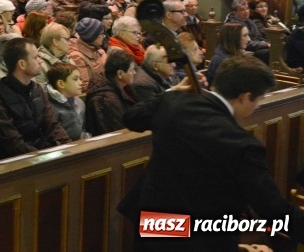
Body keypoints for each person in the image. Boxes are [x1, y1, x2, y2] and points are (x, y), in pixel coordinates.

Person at [118, 55, 304, 251]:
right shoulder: (243, 145)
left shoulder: (173, 102)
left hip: (156, 222)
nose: (257, 106)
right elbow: (272, 209)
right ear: (244, 96)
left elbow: (131, 118)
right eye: (258, 99)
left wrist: (172, 92)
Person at [0, 37, 70, 161]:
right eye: (35, 57)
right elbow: (14, 146)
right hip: (13, 165)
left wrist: (69, 147)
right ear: (22, 64)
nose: (40, 62)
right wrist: (45, 158)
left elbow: (52, 125)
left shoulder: (36, 89)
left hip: (40, 155)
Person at [85, 48, 138, 136]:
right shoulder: (105, 99)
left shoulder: (124, 87)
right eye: (131, 70)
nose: (134, 73)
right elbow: (117, 130)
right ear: (120, 74)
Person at [45, 62, 86, 140]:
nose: (81, 83)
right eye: (75, 79)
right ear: (61, 84)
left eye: (80, 79)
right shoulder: (49, 108)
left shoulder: (79, 102)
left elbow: (83, 130)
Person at [206, 22, 250, 88]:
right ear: (233, 38)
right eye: (245, 35)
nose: (249, 39)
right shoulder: (221, 60)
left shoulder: (237, 55)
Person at [68, 17, 106, 92]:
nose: (104, 36)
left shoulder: (99, 51)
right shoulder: (76, 56)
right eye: (101, 34)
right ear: (92, 37)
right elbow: (85, 86)